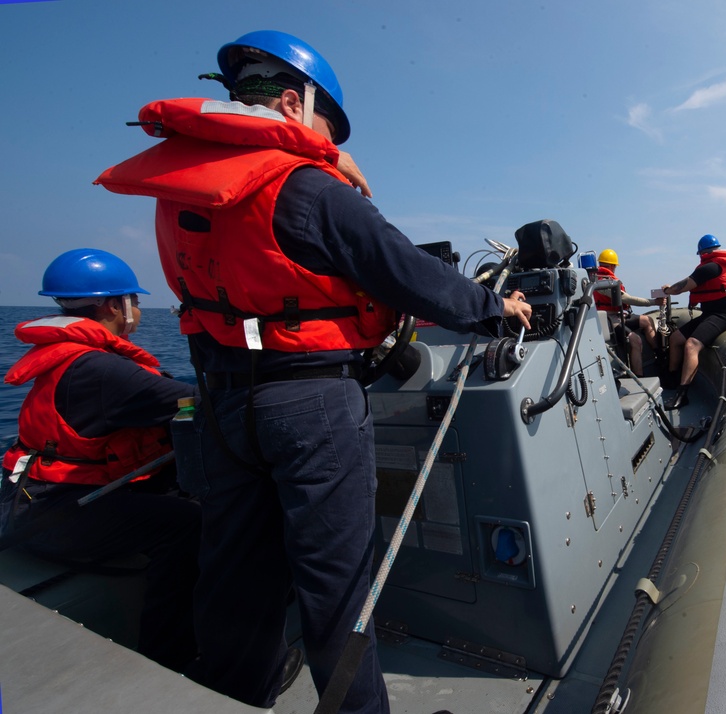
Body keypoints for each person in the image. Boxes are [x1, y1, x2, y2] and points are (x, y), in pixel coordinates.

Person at [96, 30, 532, 711]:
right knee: (336, 589)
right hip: (311, 407)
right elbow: (407, 273)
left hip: (222, 406)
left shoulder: (183, 192)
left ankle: (236, 697)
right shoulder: (308, 188)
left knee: (235, 574)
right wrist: (496, 308)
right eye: (328, 131)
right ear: (295, 106)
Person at [0, 248, 200, 672]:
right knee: (189, 525)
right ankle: (172, 655)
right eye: (135, 301)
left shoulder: (74, 358)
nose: (138, 310)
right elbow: (198, 402)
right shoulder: (104, 370)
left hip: (30, 503)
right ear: (114, 306)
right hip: (55, 517)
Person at [660, 234, 726, 409]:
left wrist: (667, 290)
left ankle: (682, 394)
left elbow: (681, 287)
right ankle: (673, 378)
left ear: (702, 253)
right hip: (714, 314)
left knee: (691, 345)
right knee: (675, 338)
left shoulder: (709, 268)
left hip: (721, 317)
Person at [593, 248, 663, 377]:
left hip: (618, 315)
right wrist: (654, 302)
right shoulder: (604, 283)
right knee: (636, 341)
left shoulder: (602, 279)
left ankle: (659, 354)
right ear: (612, 266)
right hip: (610, 321)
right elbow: (627, 299)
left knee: (647, 320)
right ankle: (638, 376)